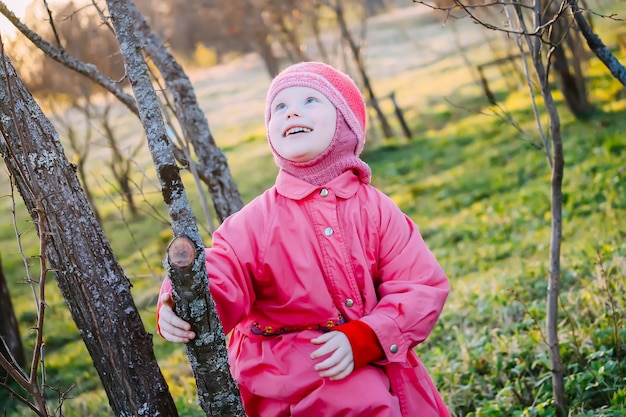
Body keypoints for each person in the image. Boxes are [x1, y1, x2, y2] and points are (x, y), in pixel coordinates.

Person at [157, 61, 451, 417]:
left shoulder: (376, 210)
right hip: (277, 374)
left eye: (311, 100)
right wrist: (182, 298)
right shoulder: (257, 219)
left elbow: (419, 285)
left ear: (345, 123)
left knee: (374, 401)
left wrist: (369, 336)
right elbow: (224, 268)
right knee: (358, 401)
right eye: (279, 107)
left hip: (362, 358)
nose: (292, 110)